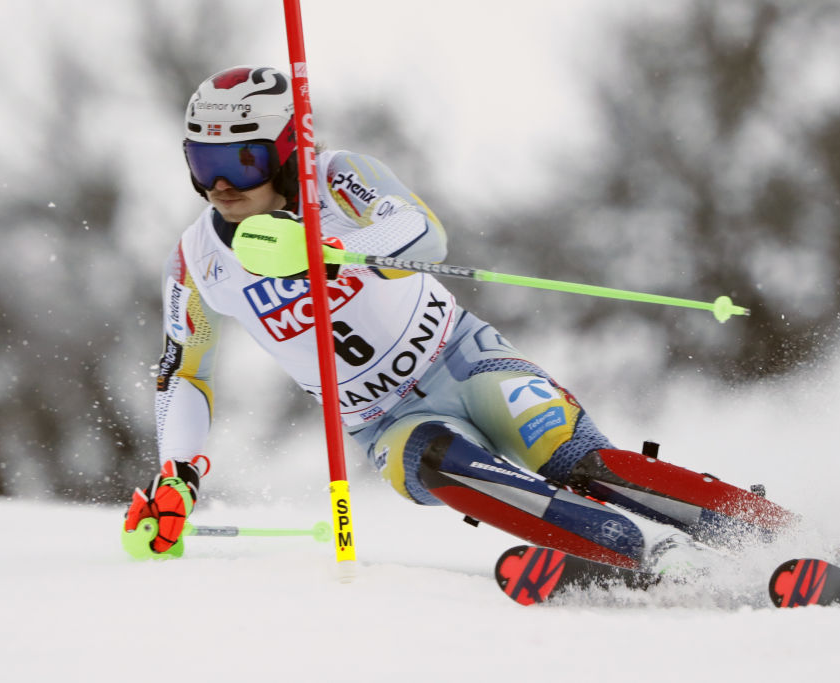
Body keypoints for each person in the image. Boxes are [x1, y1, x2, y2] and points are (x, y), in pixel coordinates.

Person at [122, 64, 801, 575]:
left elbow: (423, 234)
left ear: (286, 147)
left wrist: (329, 249)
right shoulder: (196, 261)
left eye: (240, 159)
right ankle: (638, 556)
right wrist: (178, 475)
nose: (220, 184)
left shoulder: (338, 179)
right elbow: (186, 372)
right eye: (200, 162)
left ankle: (786, 538)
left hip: (462, 356)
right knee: (447, 464)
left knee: (579, 459)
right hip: (383, 419)